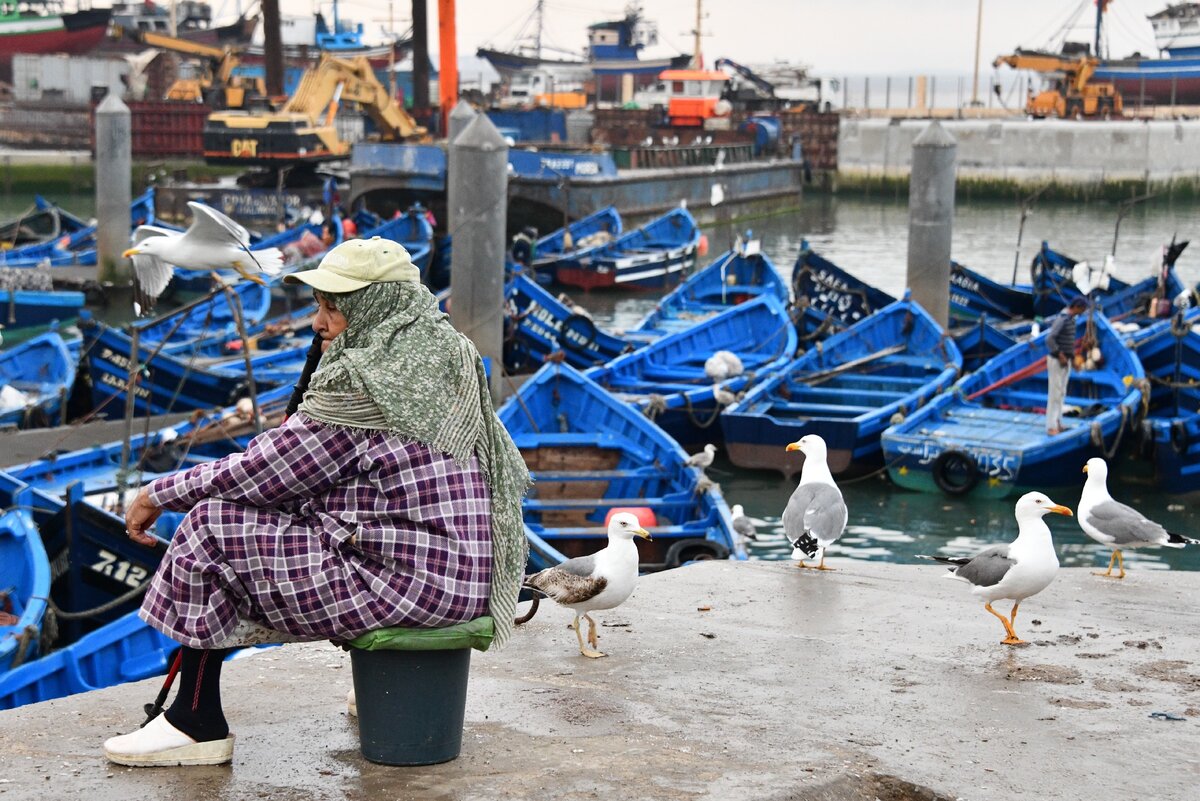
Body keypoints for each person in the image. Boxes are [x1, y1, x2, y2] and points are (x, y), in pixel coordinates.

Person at [102, 236, 530, 767]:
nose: (318, 323)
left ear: (374, 310)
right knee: (309, 520)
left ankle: (193, 723)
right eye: (319, 305)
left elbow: (264, 472)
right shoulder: (445, 352)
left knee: (211, 526)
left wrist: (156, 493)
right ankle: (372, 691)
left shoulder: (361, 380)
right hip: (463, 576)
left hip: (411, 587)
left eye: (334, 308)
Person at [1045, 296, 1088, 436]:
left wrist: (1073, 359)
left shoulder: (1071, 321)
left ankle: (1058, 422)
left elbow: (1069, 343)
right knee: (1054, 394)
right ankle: (1051, 426)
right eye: (1082, 309)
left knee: (1062, 393)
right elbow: (1050, 339)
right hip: (1057, 361)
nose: (1082, 312)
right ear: (1076, 306)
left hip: (1066, 361)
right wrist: (1060, 355)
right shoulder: (1062, 319)